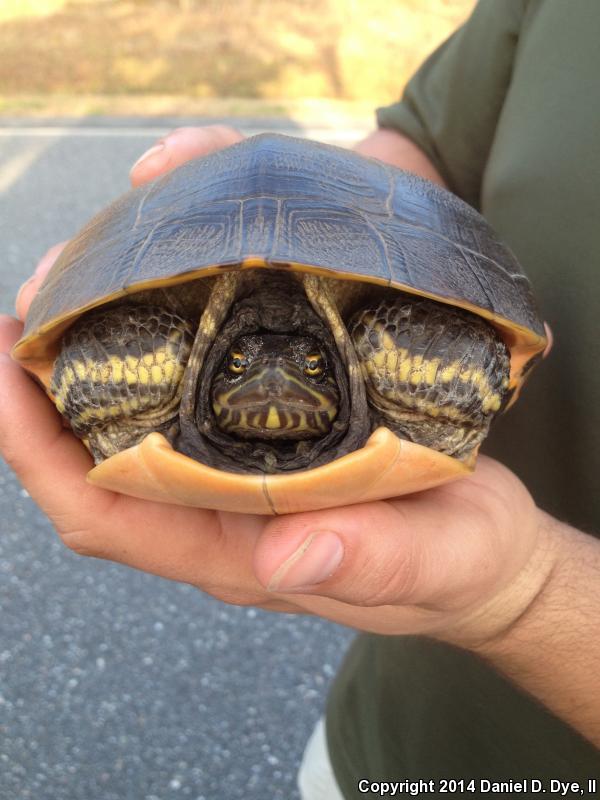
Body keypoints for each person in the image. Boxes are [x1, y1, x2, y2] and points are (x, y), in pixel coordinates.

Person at [1, 0, 599, 795]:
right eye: (242, 360)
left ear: (346, 371)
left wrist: (529, 599)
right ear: (210, 357)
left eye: (315, 369)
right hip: (378, 745)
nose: (275, 380)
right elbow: (421, 141)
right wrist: (272, 182)